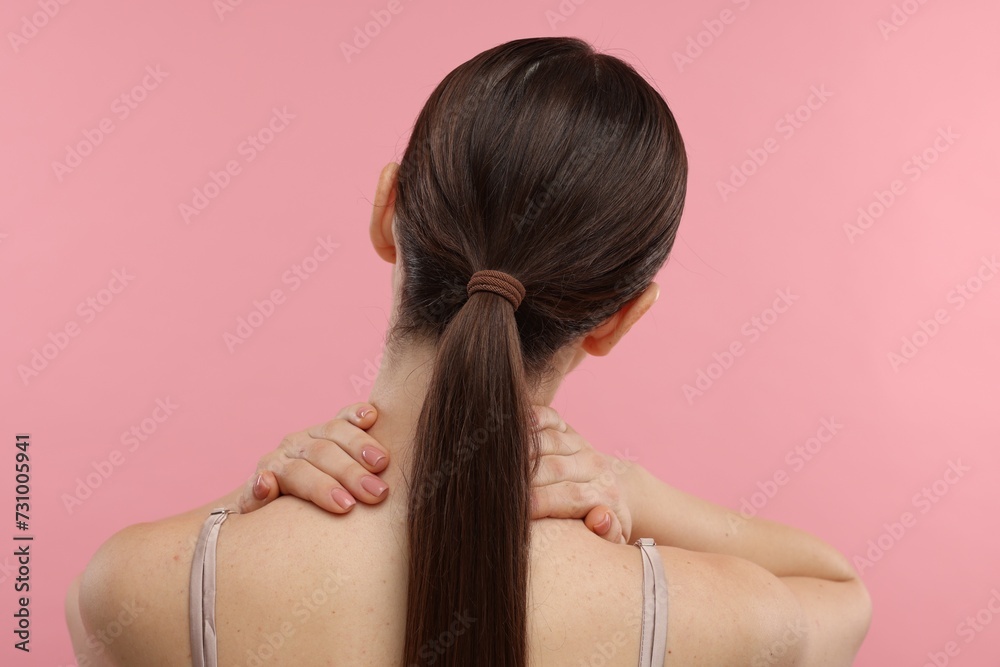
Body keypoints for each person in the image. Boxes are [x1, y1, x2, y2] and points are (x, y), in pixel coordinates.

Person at [66, 36, 871, 666]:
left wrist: (246, 500)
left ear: (389, 210)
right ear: (619, 318)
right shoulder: (716, 619)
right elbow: (843, 592)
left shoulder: (136, 590)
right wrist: (632, 487)